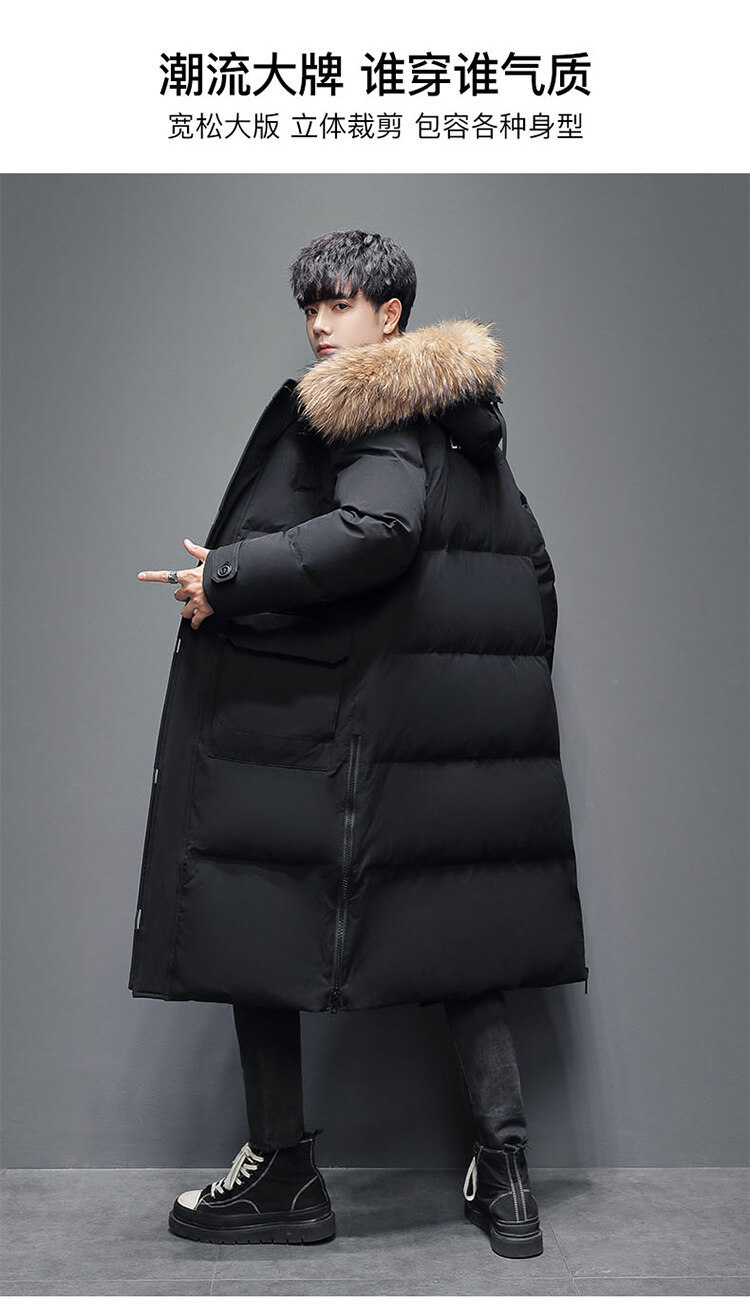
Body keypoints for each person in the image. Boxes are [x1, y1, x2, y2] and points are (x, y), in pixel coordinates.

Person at [132, 229, 588, 1258]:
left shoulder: (369, 404)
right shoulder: (469, 430)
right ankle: (508, 1174)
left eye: (341, 305)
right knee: (461, 938)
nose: (319, 327)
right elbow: (535, 576)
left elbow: (379, 532)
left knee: (251, 907)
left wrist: (228, 577)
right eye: (311, 307)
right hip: (447, 741)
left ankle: (281, 1174)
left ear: (392, 316)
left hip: (357, 736)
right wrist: (486, 703)